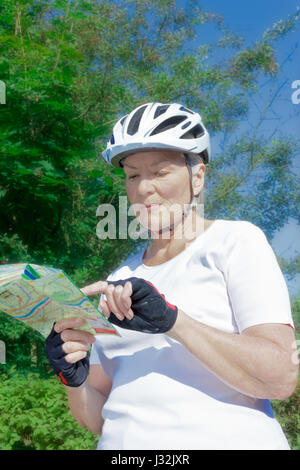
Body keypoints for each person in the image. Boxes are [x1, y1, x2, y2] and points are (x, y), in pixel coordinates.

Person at [45, 102, 298, 450]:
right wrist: (73, 378)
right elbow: (100, 419)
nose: (144, 188)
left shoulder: (235, 241)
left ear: (197, 177)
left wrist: (173, 321)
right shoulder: (120, 277)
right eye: (133, 175)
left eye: (160, 172)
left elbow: (280, 378)